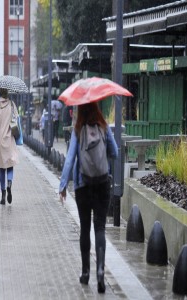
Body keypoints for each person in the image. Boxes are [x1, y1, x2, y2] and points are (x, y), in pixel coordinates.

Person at [59, 102, 118, 293]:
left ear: (80, 110)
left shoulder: (78, 129)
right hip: (102, 184)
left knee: (85, 228)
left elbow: (69, 159)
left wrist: (62, 186)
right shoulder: (104, 126)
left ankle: (85, 273)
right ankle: (101, 270)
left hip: (83, 186)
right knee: (99, 227)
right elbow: (115, 152)